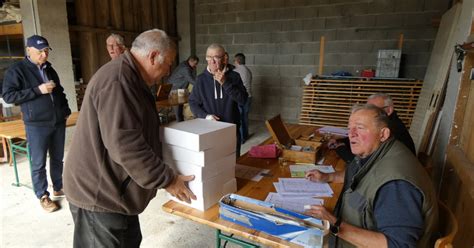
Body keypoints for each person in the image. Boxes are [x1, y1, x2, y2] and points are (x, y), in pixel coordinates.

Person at [63, 29, 196, 248]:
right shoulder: (118, 81)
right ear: (153, 56)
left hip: (118, 191)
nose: (168, 71)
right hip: (99, 195)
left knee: (129, 240)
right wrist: (167, 179)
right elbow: (125, 145)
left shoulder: (131, 77)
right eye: (168, 63)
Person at [305, 104, 438, 247]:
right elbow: (362, 176)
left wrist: (335, 224)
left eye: (360, 127)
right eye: (350, 129)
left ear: (383, 134)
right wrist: (328, 177)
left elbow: (398, 245)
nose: (351, 134)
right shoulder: (377, 153)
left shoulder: (394, 184)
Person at [2, 35, 71, 213]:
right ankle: (43, 195)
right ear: (29, 51)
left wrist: (65, 111)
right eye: (39, 51)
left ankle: (58, 186)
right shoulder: (17, 70)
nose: (44, 54)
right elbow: (9, 96)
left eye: (46, 50)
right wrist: (37, 90)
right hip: (36, 124)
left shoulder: (49, 69)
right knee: (38, 162)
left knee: (57, 158)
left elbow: (60, 91)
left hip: (57, 121)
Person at [189, 44, 248, 158]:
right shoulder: (201, 79)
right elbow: (193, 102)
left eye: (216, 57)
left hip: (231, 129)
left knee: (233, 164)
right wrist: (206, 116)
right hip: (209, 131)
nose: (212, 61)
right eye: (209, 57)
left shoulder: (234, 76)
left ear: (224, 58)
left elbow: (243, 100)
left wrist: (225, 83)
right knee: (213, 165)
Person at [329, 93, 416, 163]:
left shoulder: (391, 130)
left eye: (374, 109)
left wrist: (340, 148)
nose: (367, 113)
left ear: (389, 110)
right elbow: (366, 140)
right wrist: (343, 141)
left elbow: (365, 163)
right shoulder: (389, 122)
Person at [167, 55, 199, 122]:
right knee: (178, 112)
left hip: (180, 89)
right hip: (174, 89)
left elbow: (194, 78)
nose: (196, 65)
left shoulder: (188, 66)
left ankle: (181, 124)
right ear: (190, 61)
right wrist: (201, 85)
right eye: (195, 64)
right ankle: (179, 127)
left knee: (180, 111)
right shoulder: (185, 68)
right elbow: (191, 80)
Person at [233, 53, 252, 144]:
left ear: (237, 61)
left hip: (240, 97)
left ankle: (241, 139)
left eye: (234, 60)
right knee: (245, 117)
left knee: (239, 118)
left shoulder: (236, 71)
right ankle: (245, 135)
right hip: (249, 96)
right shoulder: (248, 70)